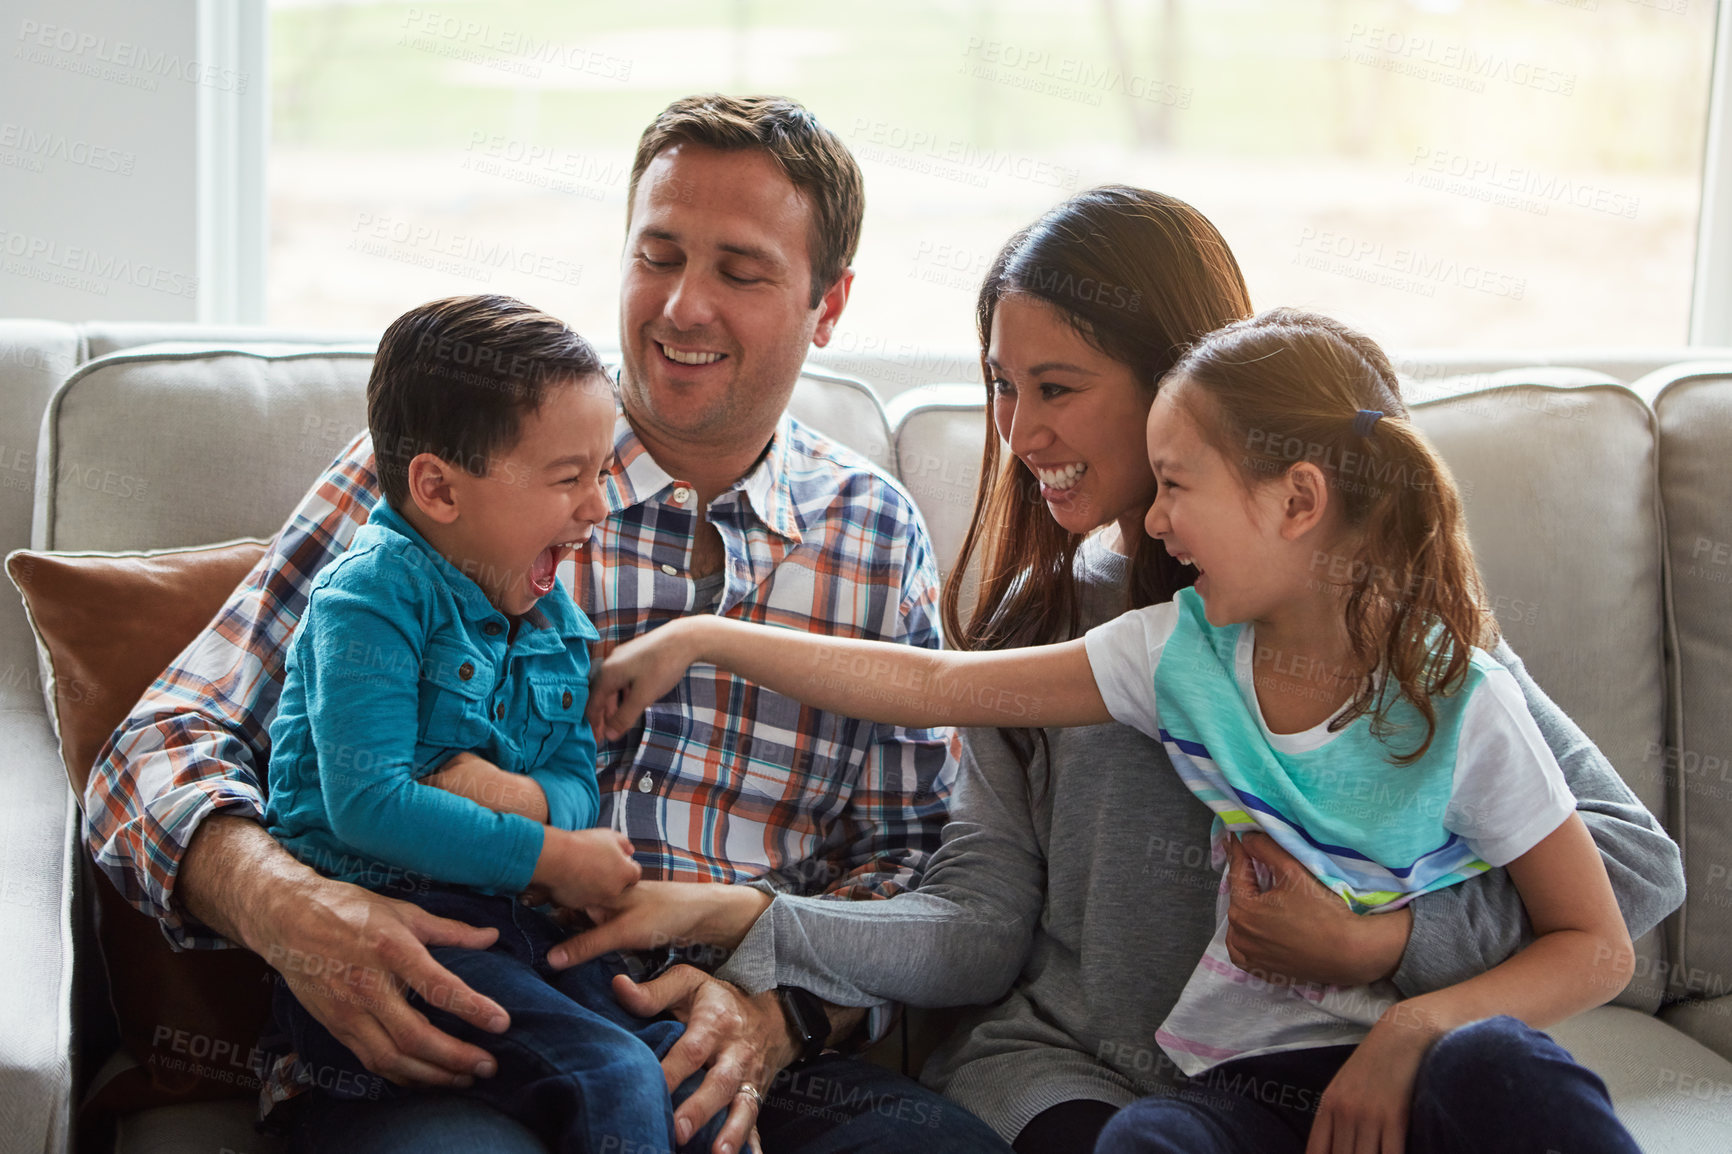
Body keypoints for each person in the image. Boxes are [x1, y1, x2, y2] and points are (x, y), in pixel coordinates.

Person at [551, 187, 1685, 1153]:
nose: (1016, 432)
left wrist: (1383, 948)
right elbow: (974, 894)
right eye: (999, 386)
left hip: (1339, 1072)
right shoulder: (1067, 631)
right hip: (1083, 1078)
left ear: (1183, 381)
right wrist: (759, 913)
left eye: (1056, 386)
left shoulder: (1377, 622)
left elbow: (1627, 872)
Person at [84, 95, 1012, 1154]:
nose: (681, 307)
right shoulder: (451, 476)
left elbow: (905, 856)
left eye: (740, 271)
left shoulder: (869, 532)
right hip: (451, 1029)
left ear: (828, 303)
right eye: (656, 254)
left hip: (730, 1042)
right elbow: (152, 749)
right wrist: (287, 906)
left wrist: (787, 1013)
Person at [261, 293, 734, 1154]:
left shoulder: (551, 612)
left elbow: (574, 777)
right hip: (391, 936)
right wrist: (551, 855)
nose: (597, 507)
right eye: (568, 478)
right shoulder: (371, 598)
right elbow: (370, 805)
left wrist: (510, 795)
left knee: (687, 1085)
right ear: (438, 488)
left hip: (517, 931)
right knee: (615, 1080)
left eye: (600, 473)